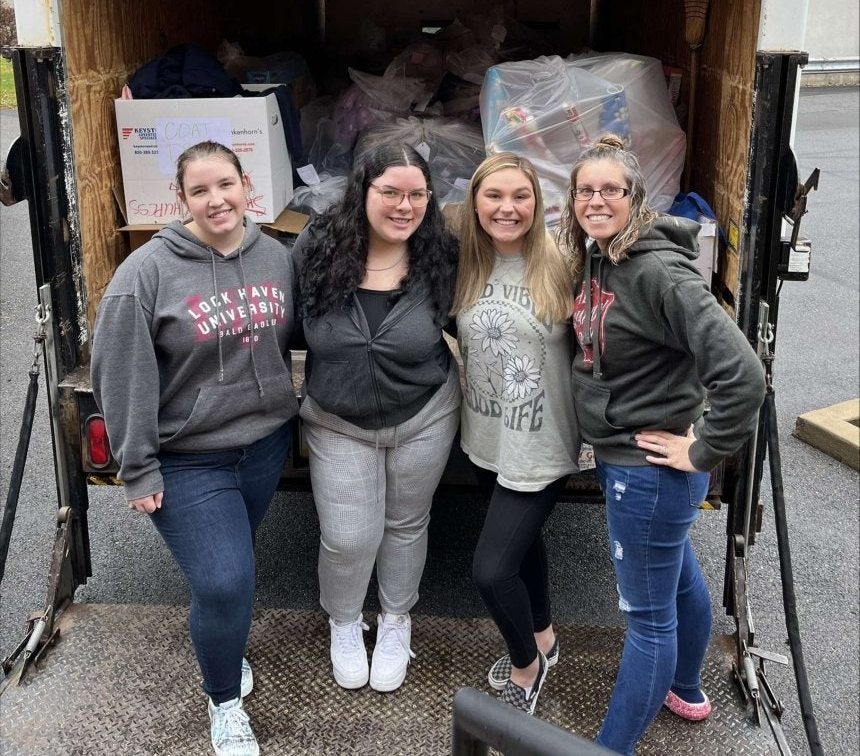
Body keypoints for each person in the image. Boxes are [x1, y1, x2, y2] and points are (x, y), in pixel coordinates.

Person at [559, 134, 766, 755]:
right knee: (679, 579)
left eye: (610, 191)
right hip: (639, 467)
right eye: (584, 190)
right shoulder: (601, 256)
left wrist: (701, 450)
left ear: (635, 198)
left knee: (649, 623)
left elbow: (744, 374)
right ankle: (686, 687)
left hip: (647, 471)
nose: (596, 200)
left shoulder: (658, 273)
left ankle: (611, 748)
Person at [91, 141, 298, 756]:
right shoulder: (145, 275)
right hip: (188, 456)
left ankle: (224, 644)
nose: (217, 200)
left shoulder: (276, 257)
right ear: (180, 200)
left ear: (246, 188)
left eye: (226, 185)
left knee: (232, 567)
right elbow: (120, 374)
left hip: (263, 445)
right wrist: (138, 467)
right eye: (200, 190)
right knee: (225, 581)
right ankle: (224, 698)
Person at [292, 142, 460, 693]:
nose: (404, 205)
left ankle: (395, 621)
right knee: (347, 536)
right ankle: (344, 624)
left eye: (417, 194)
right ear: (363, 189)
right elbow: (282, 325)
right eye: (390, 191)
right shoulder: (315, 247)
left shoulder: (443, 253)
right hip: (338, 418)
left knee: (406, 524)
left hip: (425, 414)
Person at [452, 153, 579, 716]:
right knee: (523, 546)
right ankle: (545, 636)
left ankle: (527, 666)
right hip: (487, 438)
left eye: (520, 197)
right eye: (494, 197)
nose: (507, 208)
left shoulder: (564, 264)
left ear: (539, 203)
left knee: (491, 569)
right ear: (474, 204)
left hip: (543, 442)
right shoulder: (465, 265)